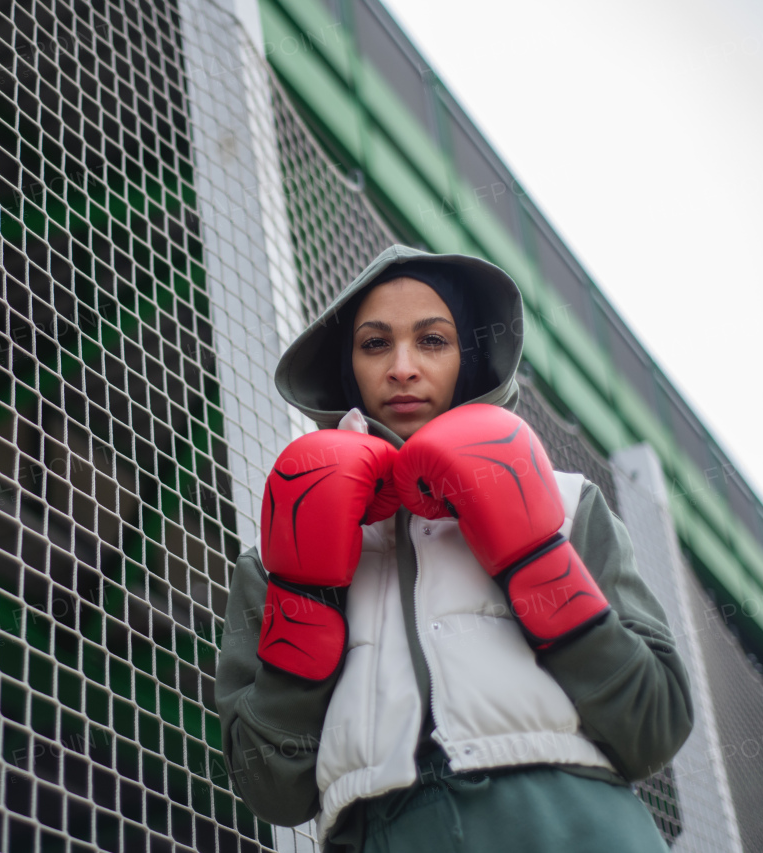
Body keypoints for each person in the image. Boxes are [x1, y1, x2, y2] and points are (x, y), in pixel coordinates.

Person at [215, 245, 693, 852]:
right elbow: (271, 791)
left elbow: (655, 726)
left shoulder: (569, 502)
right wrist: (304, 600)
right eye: (375, 343)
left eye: (433, 340)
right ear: (348, 367)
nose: (403, 367)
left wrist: (533, 561)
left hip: (575, 826)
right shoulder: (272, 556)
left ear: (469, 356)